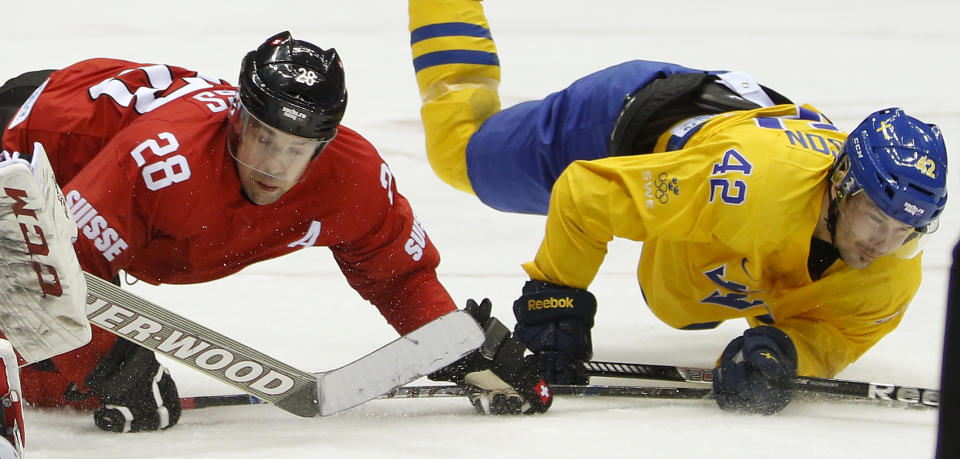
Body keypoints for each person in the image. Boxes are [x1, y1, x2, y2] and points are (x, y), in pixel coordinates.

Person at [0, 31, 551, 438]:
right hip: (30, 139)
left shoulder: (352, 177)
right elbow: (45, 265)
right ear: (236, 117)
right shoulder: (164, 162)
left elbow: (398, 274)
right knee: (42, 364)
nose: (271, 165)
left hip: (100, 178)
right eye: (262, 136)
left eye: (295, 148)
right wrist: (107, 365)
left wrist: (453, 343)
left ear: (324, 145)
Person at [407, 0, 948, 415]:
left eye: (907, 230)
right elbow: (585, 191)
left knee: (729, 287)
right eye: (875, 218)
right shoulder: (747, 186)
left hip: (715, 174)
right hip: (624, 125)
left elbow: (839, 334)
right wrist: (557, 297)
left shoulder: (893, 273)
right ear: (840, 186)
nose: (883, 243)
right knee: (460, 153)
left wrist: (784, 350)